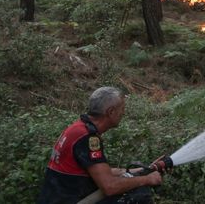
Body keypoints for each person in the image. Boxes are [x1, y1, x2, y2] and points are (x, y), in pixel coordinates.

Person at [37, 87, 165, 203]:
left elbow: (102, 173)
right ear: (110, 112)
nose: (123, 113)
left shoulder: (78, 128)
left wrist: (143, 170)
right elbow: (109, 187)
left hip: (56, 198)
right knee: (139, 195)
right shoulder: (88, 138)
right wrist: (147, 179)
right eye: (122, 109)